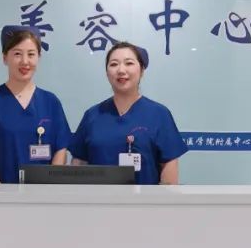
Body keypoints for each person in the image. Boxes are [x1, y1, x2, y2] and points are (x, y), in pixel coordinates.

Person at [0, 25, 72, 184]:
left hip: (42, 195)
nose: (25, 61)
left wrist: (50, 188)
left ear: (39, 57)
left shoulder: (51, 102)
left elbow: (61, 150)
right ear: (5, 58)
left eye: (31, 54)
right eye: (17, 54)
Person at [69, 41, 186, 185]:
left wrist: (163, 197)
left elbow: (169, 168)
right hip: (98, 199)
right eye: (114, 64)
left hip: (144, 199)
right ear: (107, 73)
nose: (121, 70)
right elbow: (79, 164)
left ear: (142, 70)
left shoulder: (159, 114)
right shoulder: (92, 115)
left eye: (129, 63)